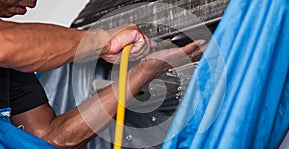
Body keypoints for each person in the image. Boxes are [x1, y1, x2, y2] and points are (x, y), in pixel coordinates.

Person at [0, 0, 205, 148]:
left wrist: (143, 72)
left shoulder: (11, 70)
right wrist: (104, 41)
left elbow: (50, 136)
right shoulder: (8, 47)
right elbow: (5, 44)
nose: (33, 3)